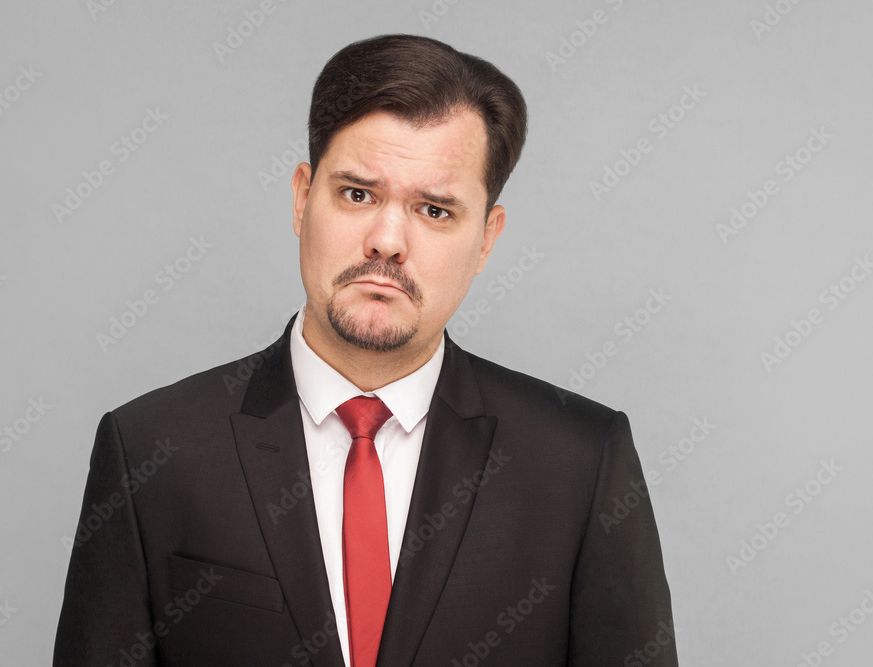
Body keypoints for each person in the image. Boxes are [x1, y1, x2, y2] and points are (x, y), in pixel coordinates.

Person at [53, 33, 677, 667]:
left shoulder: (579, 462)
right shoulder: (152, 451)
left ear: (487, 238)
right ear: (302, 197)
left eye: (435, 210)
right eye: (358, 194)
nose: (386, 240)